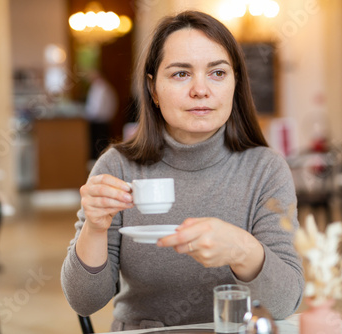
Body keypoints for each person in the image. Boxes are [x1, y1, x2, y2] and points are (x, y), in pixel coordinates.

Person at [61, 10, 304, 330]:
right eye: (180, 74)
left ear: (235, 83)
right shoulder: (117, 167)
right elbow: (85, 301)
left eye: (217, 73)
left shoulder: (266, 170)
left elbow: (285, 303)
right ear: (153, 89)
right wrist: (94, 227)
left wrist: (242, 249)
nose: (200, 90)